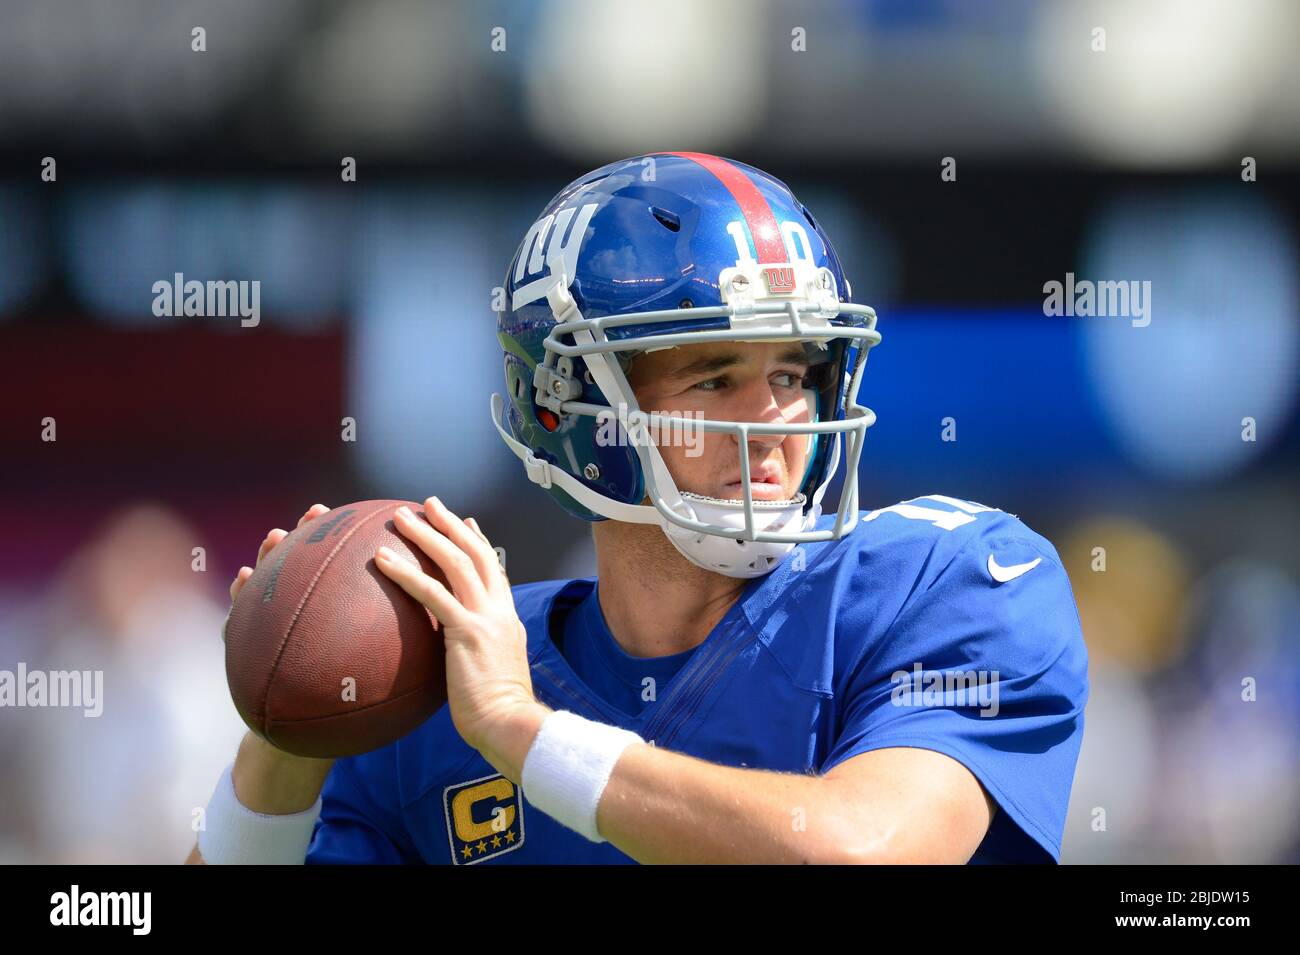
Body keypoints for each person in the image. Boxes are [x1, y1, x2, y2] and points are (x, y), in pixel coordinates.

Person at [187, 152, 1087, 865]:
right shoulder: (434, 685)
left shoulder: (949, 583)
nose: (774, 419)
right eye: (717, 376)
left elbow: (864, 849)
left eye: (794, 373)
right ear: (570, 410)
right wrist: (285, 743)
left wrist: (524, 733)